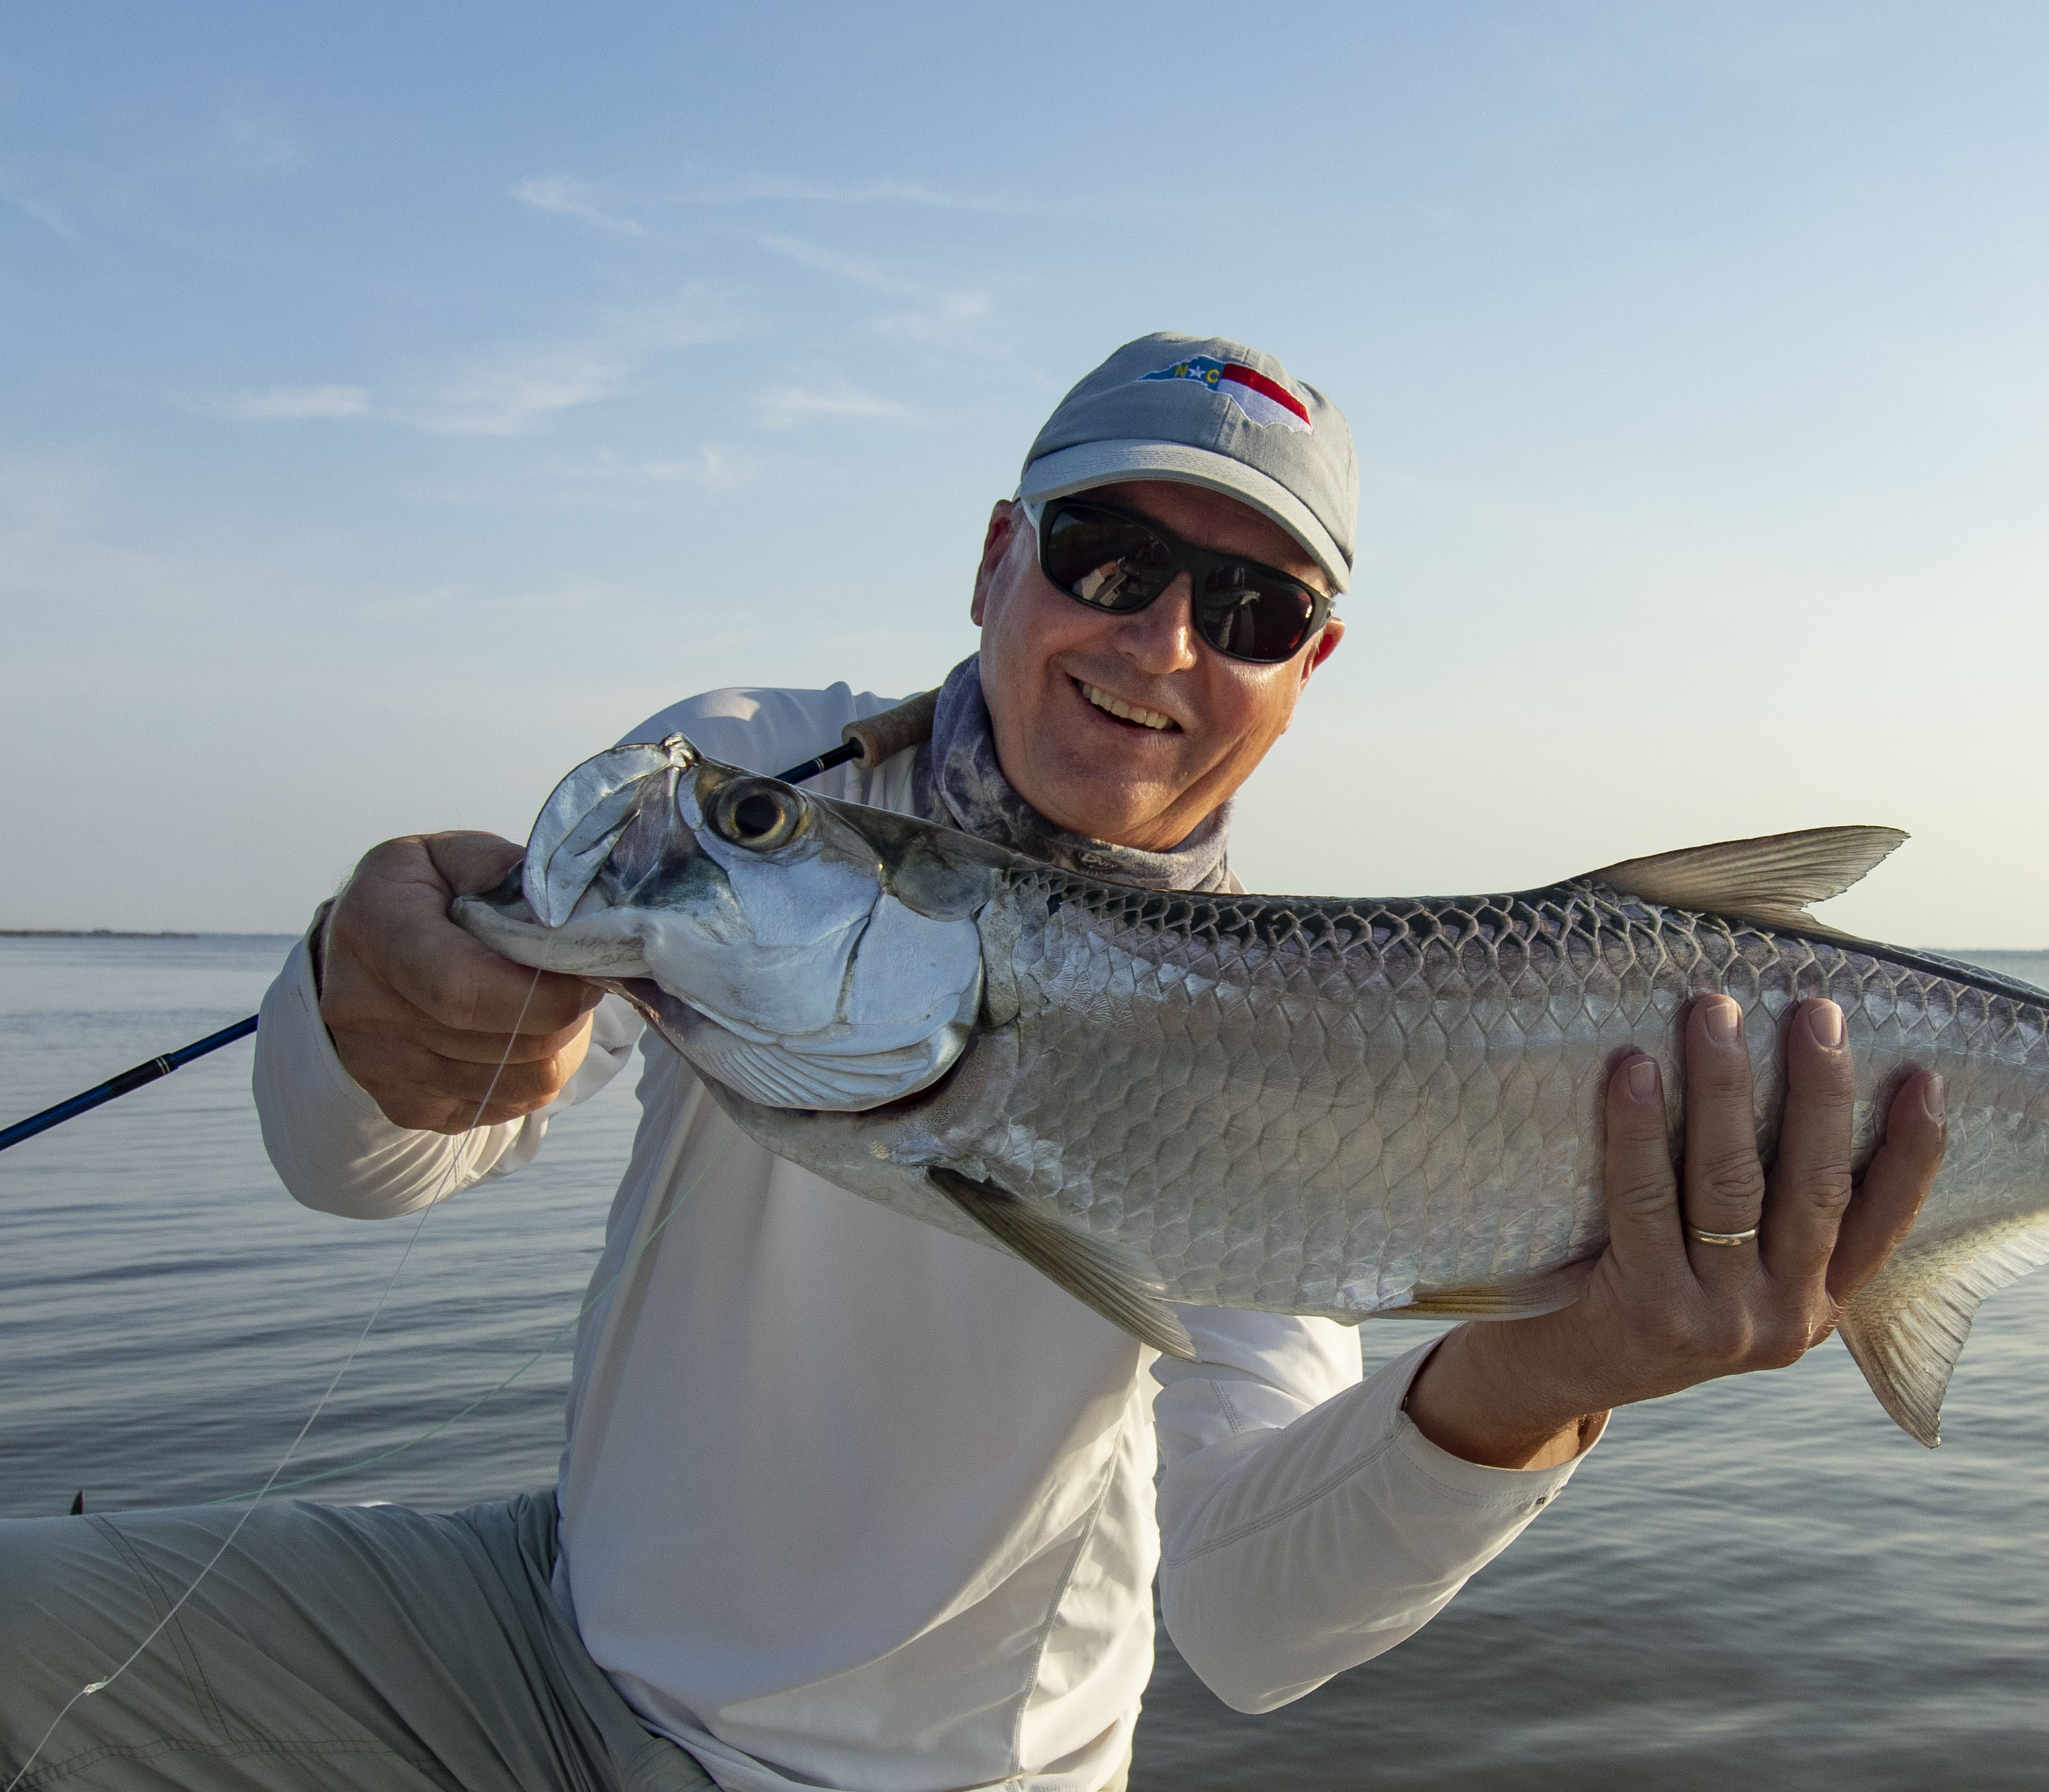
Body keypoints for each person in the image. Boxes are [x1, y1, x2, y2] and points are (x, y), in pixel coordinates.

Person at [0, 334, 1947, 1792]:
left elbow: (1252, 1624)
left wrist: (1566, 1370)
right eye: (1107, 558)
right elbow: (362, 1171)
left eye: (1251, 608)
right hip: (542, 1629)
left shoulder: (1315, 1039)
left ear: (1306, 668)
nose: (1163, 641)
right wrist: (368, 997)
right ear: (999, 556)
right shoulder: (755, 786)